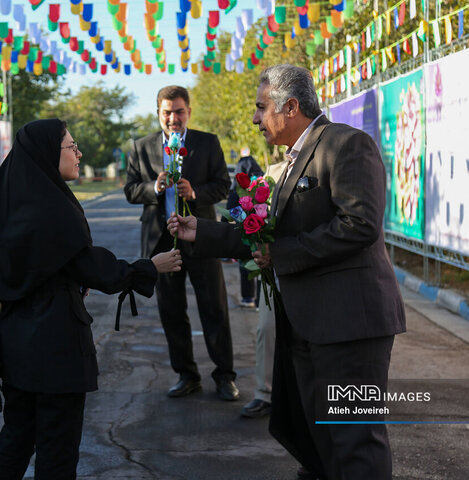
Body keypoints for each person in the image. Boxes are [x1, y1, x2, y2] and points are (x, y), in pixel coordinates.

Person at [168, 64, 406, 480]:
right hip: (310, 325)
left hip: (349, 327)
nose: (256, 118)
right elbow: (266, 235)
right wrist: (201, 231)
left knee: (354, 442)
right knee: (319, 440)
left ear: (290, 106)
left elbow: (359, 226)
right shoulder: (291, 159)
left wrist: (281, 255)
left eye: (261, 108)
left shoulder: (347, 144)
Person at [0, 119, 183, 480]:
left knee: (17, 437)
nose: (79, 152)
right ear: (46, 155)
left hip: (15, 345)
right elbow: (89, 266)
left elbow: (27, 265)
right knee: (57, 447)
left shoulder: (8, 205)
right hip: (56, 347)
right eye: (71, 146)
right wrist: (148, 267)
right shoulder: (53, 210)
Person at [124, 85, 239, 401]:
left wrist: (196, 192)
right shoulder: (142, 147)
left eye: (178, 111)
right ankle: (186, 375)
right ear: (158, 113)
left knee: (213, 307)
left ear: (188, 111)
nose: (173, 118)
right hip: (162, 242)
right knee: (171, 311)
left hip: (202, 236)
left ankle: (225, 376)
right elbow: (131, 190)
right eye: (167, 112)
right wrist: (154, 188)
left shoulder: (207, 142)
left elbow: (222, 186)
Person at [240, 160, 286, 419]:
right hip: (273, 271)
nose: (258, 119)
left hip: (307, 267)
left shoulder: (327, 160)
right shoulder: (272, 173)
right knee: (265, 329)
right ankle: (263, 394)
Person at [227, 147, 265, 308]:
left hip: (244, 226)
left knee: (245, 262)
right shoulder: (260, 181)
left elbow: (231, 203)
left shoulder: (239, 182)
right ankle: (260, 302)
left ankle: (248, 297)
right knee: (261, 263)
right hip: (261, 225)